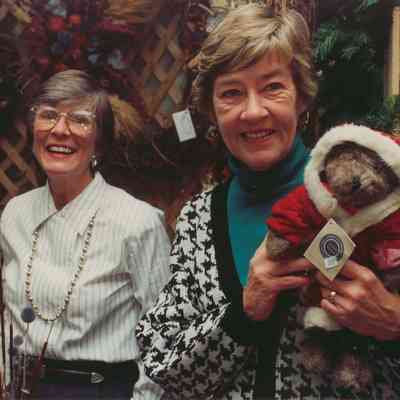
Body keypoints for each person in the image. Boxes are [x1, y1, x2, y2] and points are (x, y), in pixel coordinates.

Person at [136, 4, 400, 400]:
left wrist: (393, 324)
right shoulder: (199, 218)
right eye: (231, 93)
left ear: (301, 96)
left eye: (272, 87)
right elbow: (166, 368)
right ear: (212, 109)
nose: (253, 111)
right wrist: (244, 311)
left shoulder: (372, 203)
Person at [0, 69, 171, 399]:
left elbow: (164, 336)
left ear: (99, 143)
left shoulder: (137, 222)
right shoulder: (15, 214)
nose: (59, 130)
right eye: (48, 115)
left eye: (79, 119)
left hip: (101, 391)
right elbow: (10, 314)